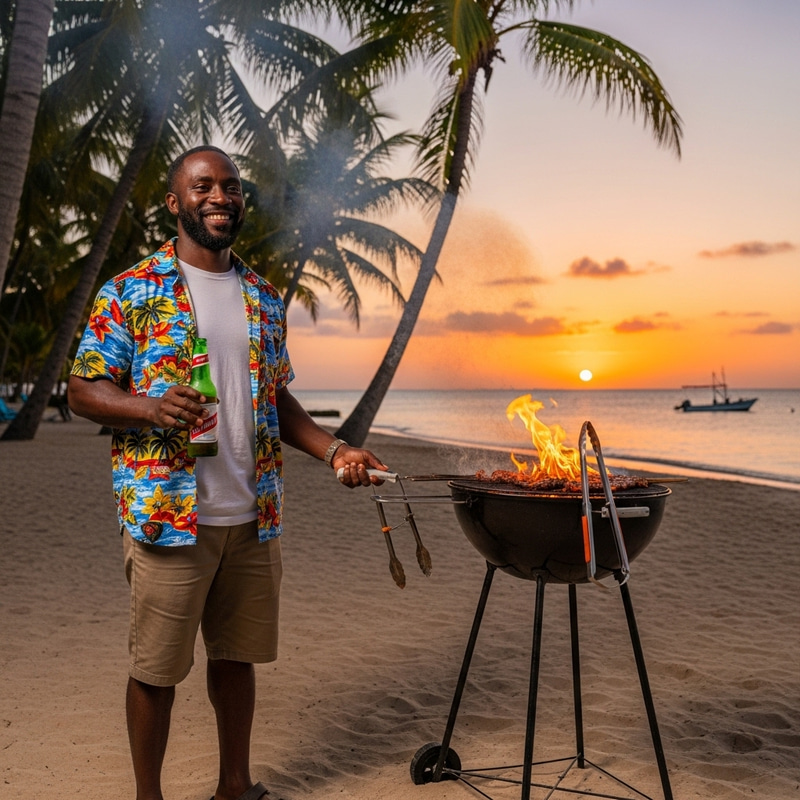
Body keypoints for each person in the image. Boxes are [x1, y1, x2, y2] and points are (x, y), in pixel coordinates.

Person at [68, 145, 388, 800]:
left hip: (252, 514)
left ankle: (234, 787)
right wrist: (148, 407)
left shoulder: (263, 297)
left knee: (236, 659)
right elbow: (81, 390)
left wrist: (335, 451)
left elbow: (275, 398)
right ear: (175, 202)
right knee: (156, 670)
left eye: (231, 186)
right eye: (203, 186)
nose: (220, 196)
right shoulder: (130, 291)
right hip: (168, 515)